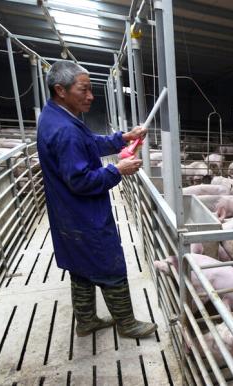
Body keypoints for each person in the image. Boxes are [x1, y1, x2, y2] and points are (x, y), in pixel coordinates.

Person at [37, 60, 155, 338]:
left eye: (91, 90)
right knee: (108, 263)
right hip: (83, 213)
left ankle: (86, 320)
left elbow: (89, 143)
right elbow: (79, 181)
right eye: (84, 90)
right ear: (60, 90)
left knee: (80, 266)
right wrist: (117, 170)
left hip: (67, 211)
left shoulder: (58, 116)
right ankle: (127, 324)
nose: (91, 96)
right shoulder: (65, 129)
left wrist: (122, 138)